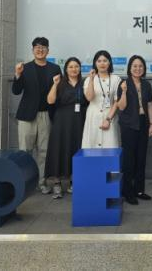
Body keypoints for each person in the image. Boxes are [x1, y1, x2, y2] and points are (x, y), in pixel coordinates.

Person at [12, 36, 62, 194]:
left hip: (46, 115)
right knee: (25, 151)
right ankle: (24, 183)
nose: (40, 50)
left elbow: (58, 93)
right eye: (37, 47)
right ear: (33, 50)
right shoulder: (25, 68)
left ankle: (41, 182)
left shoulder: (55, 68)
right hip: (27, 115)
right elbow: (16, 91)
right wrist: (18, 75)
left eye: (43, 47)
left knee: (44, 152)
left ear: (48, 50)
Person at [44, 57, 88, 198]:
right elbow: (50, 100)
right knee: (59, 149)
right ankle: (57, 183)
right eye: (71, 67)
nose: (74, 69)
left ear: (80, 68)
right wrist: (55, 84)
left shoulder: (84, 83)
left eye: (76, 66)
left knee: (75, 148)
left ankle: (73, 181)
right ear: (66, 69)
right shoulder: (60, 83)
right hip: (62, 121)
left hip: (79, 121)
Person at [116, 55, 152, 205]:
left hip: (143, 123)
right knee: (129, 160)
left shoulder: (146, 85)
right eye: (135, 66)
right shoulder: (124, 83)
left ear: (144, 68)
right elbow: (121, 107)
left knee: (141, 158)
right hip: (129, 125)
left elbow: (150, 105)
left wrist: (151, 124)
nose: (138, 69)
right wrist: (124, 92)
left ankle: (139, 190)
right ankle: (128, 192)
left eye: (140, 66)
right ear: (130, 68)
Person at [81, 50, 121, 149]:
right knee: (92, 148)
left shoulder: (116, 79)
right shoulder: (89, 79)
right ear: (95, 63)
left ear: (109, 62)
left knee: (110, 146)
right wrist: (91, 79)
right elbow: (89, 98)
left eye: (105, 61)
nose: (102, 63)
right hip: (93, 116)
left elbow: (116, 102)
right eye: (99, 61)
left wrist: (108, 119)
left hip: (110, 115)